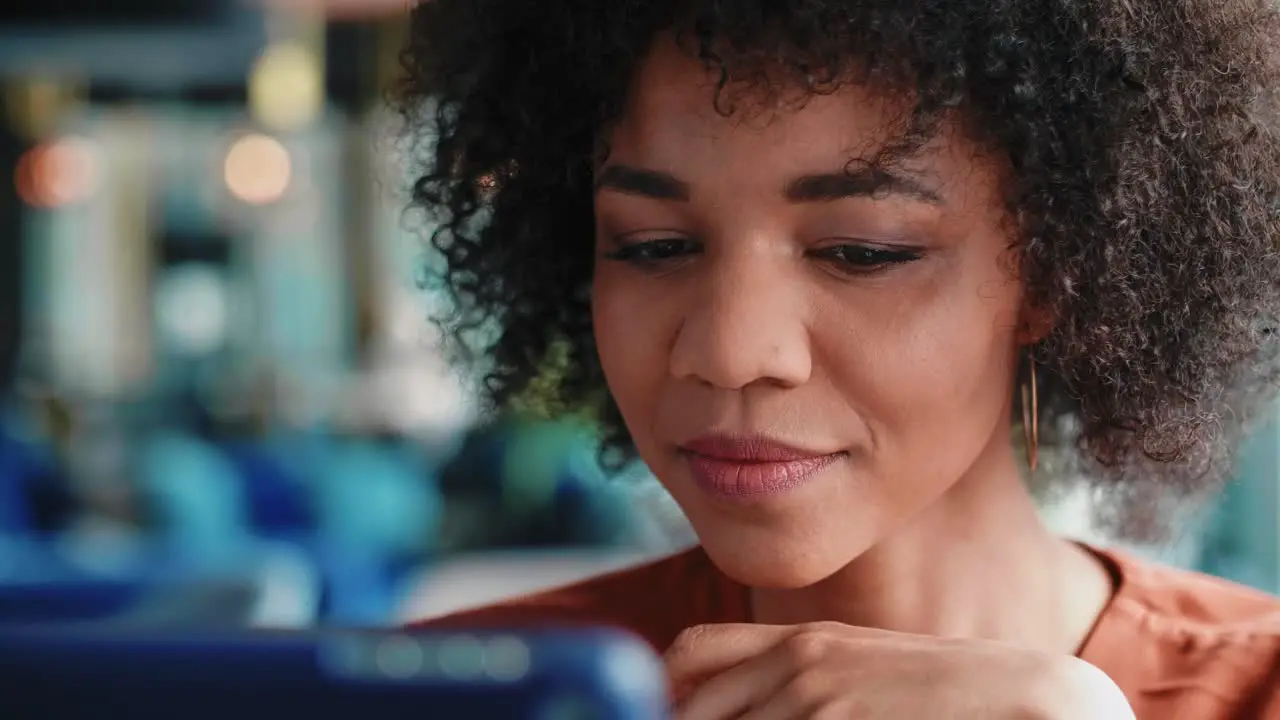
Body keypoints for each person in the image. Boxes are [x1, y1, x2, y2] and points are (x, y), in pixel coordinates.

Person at [396, 0, 1280, 717]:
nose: (732, 352)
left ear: (1054, 272)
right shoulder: (461, 692)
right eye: (654, 246)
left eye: (862, 252)